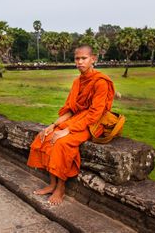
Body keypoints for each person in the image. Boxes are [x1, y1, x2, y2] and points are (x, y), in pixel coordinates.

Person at [27, 45, 115, 206]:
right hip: (77, 118)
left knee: (62, 143)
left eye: (84, 58)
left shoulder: (100, 82)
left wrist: (67, 130)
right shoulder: (77, 82)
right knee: (45, 137)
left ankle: (61, 187)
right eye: (77, 58)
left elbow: (95, 114)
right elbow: (71, 110)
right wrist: (53, 125)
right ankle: (52, 184)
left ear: (93, 59)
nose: (80, 62)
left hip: (93, 124)